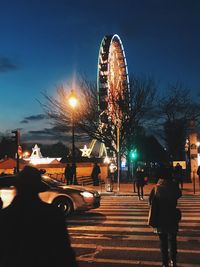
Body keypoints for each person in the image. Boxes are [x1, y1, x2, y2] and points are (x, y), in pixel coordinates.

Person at [0, 165, 78, 267]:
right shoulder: (52, 214)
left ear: (17, 187)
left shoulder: (5, 216)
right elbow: (64, 252)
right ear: (37, 188)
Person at [149, 165, 182, 267]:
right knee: (173, 240)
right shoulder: (174, 186)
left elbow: (150, 202)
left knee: (163, 242)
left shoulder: (156, 189)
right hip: (172, 217)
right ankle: (174, 261)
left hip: (160, 218)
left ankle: (165, 263)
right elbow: (179, 194)